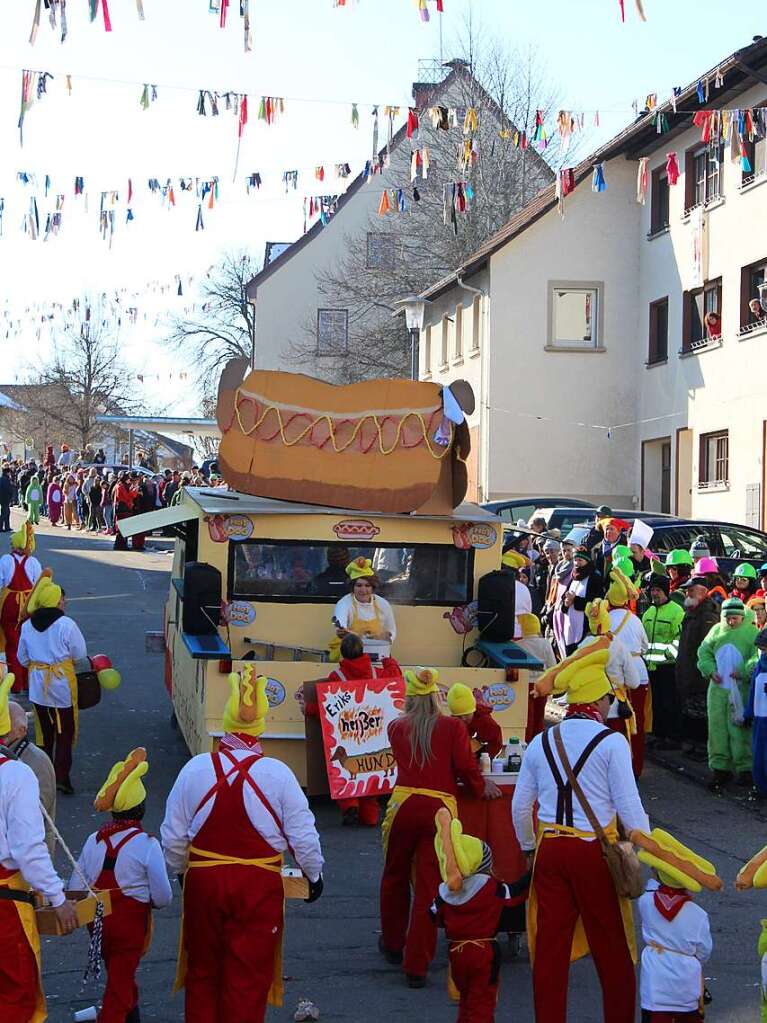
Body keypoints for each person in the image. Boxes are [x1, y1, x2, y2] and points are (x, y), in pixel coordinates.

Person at [161, 666, 324, 1023]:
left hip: (204, 884)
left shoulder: (195, 769)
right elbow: (303, 835)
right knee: (247, 980)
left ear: (228, 722)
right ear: (261, 726)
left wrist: (181, 872)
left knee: (202, 972)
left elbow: (172, 837)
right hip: (257, 889)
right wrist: (313, 874)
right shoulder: (279, 774)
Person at [512, 643, 650, 1023]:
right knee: (613, 949)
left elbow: (521, 807)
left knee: (549, 950)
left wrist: (528, 847)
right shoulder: (612, 742)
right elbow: (630, 808)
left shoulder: (542, 741)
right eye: (608, 697)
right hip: (594, 852)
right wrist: (638, 851)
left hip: (551, 851)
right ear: (598, 700)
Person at [379, 667, 498, 987]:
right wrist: (479, 786)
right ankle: (416, 965)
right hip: (439, 809)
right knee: (430, 887)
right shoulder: (451, 728)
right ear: (435, 697)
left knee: (394, 876)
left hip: (402, 806)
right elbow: (465, 766)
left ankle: (392, 944)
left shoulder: (396, 728)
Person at [72, 747, 172, 1023]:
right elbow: (163, 897)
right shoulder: (147, 845)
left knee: (120, 975)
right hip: (129, 925)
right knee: (119, 985)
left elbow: (74, 884)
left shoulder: (94, 839)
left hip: (98, 924)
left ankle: (133, 1018)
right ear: (141, 809)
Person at [0, 670, 78, 1020]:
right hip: (5, 907)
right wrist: (58, 898)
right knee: (16, 998)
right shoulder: (16, 774)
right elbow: (29, 849)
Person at [429, 812, 531, 1023]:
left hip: (456, 953)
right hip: (483, 952)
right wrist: (532, 874)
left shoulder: (446, 893)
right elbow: (514, 893)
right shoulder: (490, 888)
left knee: (465, 1000)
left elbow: (433, 915)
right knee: (482, 1002)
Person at [311, 631, 400, 827]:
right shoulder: (378, 674)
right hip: (373, 734)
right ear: (364, 651)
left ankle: (350, 804)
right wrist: (389, 661)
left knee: (345, 770)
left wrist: (308, 709)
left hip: (348, 735)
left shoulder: (337, 676)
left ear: (342, 654)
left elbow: (325, 708)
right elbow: (396, 678)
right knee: (370, 771)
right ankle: (370, 815)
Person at [635, 829, 718, 1023]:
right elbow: (704, 951)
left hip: (655, 986)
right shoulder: (698, 915)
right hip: (686, 985)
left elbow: (651, 887)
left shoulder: (646, 902)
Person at [17, 575, 87, 794]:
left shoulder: (28, 625)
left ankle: (43, 778)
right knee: (64, 734)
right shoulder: (66, 624)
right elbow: (80, 653)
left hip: (39, 686)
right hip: (62, 685)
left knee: (43, 735)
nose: (64, 602)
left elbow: (22, 658)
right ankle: (62, 777)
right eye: (61, 599)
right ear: (56, 601)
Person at [698, 596, 759, 791]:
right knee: (717, 729)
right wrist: (709, 670)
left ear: (742, 616)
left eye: (735, 618)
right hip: (717, 691)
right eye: (728, 618)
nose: (731, 622)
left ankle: (745, 769)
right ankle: (720, 768)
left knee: (740, 729)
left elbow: (757, 657)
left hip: (741, 690)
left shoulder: (751, 632)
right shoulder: (716, 631)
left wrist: (744, 672)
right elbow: (704, 653)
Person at [607, 562, 650, 776]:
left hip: (614, 676)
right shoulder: (635, 620)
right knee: (637, 722)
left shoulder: (605, 621)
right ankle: (636, 767)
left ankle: (617, 769)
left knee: (614, 720)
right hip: (639, 674)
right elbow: (645, 646)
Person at [676, 574, 721, 763]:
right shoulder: (692, 612)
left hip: (698, 675)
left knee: (701, 713)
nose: (687, 593)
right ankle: (693, 744)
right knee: (691, 712)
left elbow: (707, 648)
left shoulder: (707, 615)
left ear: (702, 592)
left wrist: (701, 671)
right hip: (688, 672)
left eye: (691, 590)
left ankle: (702, 747)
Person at [2, 700, 56, 856]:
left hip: (30, 858)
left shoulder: (36, 761)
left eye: (5, 729)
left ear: (22, 730)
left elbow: (34, 814)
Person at [642, 573, 685, 750]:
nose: (655, 593)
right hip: (651, 667)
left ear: (666, 591)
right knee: (657, 704)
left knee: (669, 703)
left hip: (668, 667)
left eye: (658, 590)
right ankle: (659, 734)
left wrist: (668, 655)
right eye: (652, 590)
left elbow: (680, 638)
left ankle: (672, 737)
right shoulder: (649, 612)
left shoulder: (676, 611)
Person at [0, 521, 43, 694]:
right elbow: (39, 585)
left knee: (13, 644)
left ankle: (15, 684)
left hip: (10, 603)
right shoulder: (33, 562)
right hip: (28, 604)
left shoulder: (5, 560)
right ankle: (27, 683)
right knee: (28, 643)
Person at [334, 557, 396, 655]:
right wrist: (343, 632)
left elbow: (391, 630)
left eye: (367, 586)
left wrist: (386, 637)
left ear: (373, 587)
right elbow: (341, 626)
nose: (363, 590)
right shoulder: (344, 604)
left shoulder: (383, 604)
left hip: (379, 652)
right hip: (351, 654)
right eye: (359, 585)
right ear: (352, 587)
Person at [559, 548, 603, 656]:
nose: (577, 563)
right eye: (575, 560)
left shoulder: (594, 577)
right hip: (569, 625)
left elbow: (595, 602)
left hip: (584, 626)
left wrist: (575, 600)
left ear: (587, 561)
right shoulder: (573, 577)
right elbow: (563, 598)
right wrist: (566, 603)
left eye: (580, 560)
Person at [447, 682, 504, 759]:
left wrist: (486, 758)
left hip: (485, 753)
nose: (463, 719)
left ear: (473, 710)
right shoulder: (453, 722)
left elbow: (497, 742)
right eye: (459, 717)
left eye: (466, 715)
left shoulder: (485, 720)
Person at [745, 628, 767, 801]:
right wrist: (748, 713)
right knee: (759, 753)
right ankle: (760, 786)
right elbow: (753, 690)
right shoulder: (760, 666)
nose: (762, 653)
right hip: (760, 716)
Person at [0, 467, 11, 533]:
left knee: (6, 513)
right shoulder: (6, 479)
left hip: (2, 498)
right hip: (5, 498)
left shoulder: (1, 479)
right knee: (5, 513)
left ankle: (7, 527)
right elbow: (8, 490)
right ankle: (1, 527)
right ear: (7, 472)